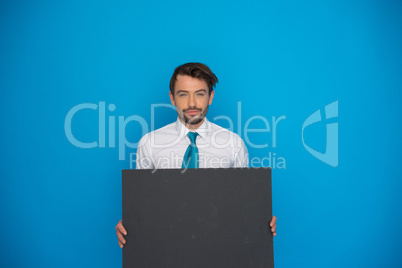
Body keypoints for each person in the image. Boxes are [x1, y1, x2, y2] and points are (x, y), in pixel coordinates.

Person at [115, 62, 277, 248]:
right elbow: (142, 206)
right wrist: (130, 226)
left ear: (210, 97)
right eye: (183, 94)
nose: (192, 103)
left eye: (200, 94)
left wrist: (261, 222)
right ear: (172, 98)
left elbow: (243, 206)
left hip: (220, 248)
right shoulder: (149, 143)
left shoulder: (233, 144)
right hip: (167, 249)